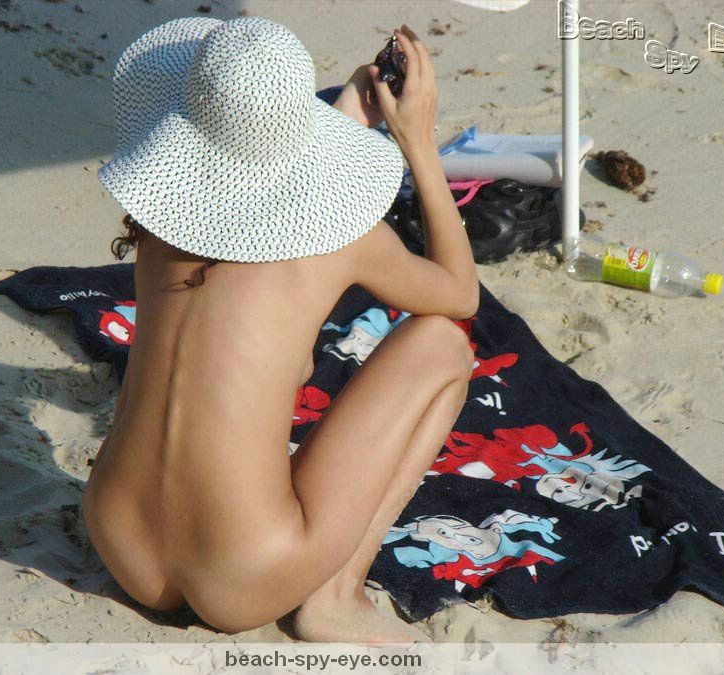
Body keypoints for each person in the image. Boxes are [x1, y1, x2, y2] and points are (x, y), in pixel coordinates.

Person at [82, 17, 479, 645]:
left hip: (120, 542)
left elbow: (256, 208)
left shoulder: (161, 215)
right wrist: (420, 146)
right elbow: (459, 295)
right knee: (443, 344)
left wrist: (346, 121)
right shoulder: (346, 238)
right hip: (243, 575)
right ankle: (335, 597)